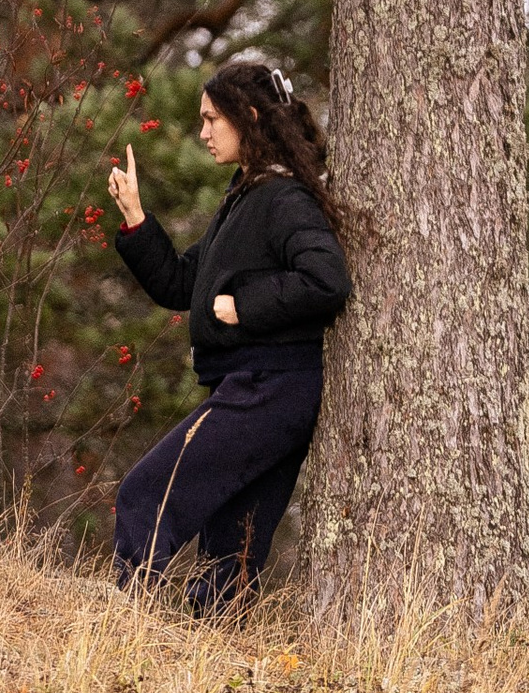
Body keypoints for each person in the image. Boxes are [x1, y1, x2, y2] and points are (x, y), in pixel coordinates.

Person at [105, 54, 348, 611]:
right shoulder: (248, 196)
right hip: (264, 389)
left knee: (147, 496)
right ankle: (215, 668)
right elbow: (181, 285)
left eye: (213, 118)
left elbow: (326, 280)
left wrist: (246, 304)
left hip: (271, 387)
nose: (203, 131)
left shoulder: (283, 199)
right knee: (229, 556)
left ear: (252, 118)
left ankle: (117, 629)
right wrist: (137, 219)